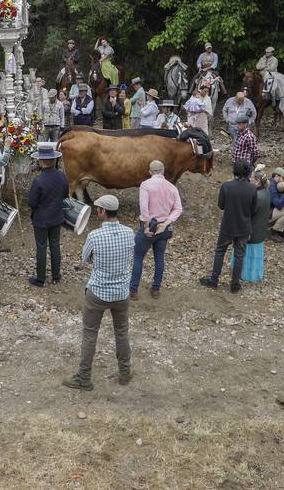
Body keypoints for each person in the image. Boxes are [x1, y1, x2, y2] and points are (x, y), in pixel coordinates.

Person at [62, 194, 132, 390]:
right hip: (121, 292)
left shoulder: (94, 236)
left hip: (98, 292)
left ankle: (84, 378)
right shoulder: (129, 233)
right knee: (122, 333)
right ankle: (125, 373)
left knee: (90, 334)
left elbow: (85, 258)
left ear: (102, 211)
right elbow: (129, 258)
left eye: (97, 209)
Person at [200, 160, 257, 293]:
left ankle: (214, 280)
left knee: (220, 251)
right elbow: (253, 209)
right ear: (248, 172)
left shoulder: (226, 186)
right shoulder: (252, 188)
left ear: (234, 171)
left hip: (228, 225)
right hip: (243, 227)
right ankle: (235, 284)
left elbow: (221, 205)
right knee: (239, 255)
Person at [132, 159, 182, 299]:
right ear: (163, 171)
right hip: (164, 228)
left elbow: (144, 207)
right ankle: (156, 289)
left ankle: (134, 290)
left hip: (150, 227)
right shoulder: (172, 187)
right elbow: (178, 209)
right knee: (159, 258)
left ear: (150, 172)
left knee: (138, 257)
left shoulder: (146, 185)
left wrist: (147, 226)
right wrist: (166, 223)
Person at [26, 142, 67, 287]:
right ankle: (56, 276)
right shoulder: (62, 176)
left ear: (41, 162)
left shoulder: (38, 181)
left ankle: (41, 279)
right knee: (55, 245)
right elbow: (65, 195)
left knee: (41, 247)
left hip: (41, 219)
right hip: (56, 216)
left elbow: (31, 202)